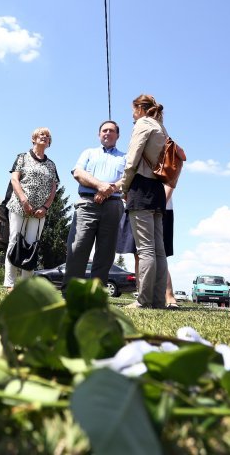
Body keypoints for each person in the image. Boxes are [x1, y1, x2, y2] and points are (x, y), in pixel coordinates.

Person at [62, 120, 125, 294]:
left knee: (105, 252)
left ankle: (96, 294)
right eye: (104, 130)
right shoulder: (88, 153)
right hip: (87, 205)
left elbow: (127, 179)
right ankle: (71, 291)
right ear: (99, 134)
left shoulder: (124, 157)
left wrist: (107, 190)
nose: (107, 133)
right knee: (78, 247)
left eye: (111, 131)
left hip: (113, 205)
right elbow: (78, 173)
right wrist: (99, 186)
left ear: (117, 136)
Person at [121, 94, 169, 309]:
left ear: (140, 109)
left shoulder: (142, 124)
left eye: (133, 110)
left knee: (146, 249)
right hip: (158, 189)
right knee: (159, 250)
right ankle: (158, 300)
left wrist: (124, 187)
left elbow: (132, 160)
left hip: (141, 188)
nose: (132, 114)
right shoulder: (161, 127)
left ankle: (144, 300)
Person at [3, 127, 59, 289]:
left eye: (48, 136)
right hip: (19, 206)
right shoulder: (22, 157)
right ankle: (10, 284)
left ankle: (26, 286)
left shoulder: (51, 165)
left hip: (39, 212)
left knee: (32, 244)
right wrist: (24, 201)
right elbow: (15, 180)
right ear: (33, 139)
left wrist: (45, 207)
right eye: (42, 135)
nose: (45, 137)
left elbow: (53, 188)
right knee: (14, 242)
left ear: (49, 143)